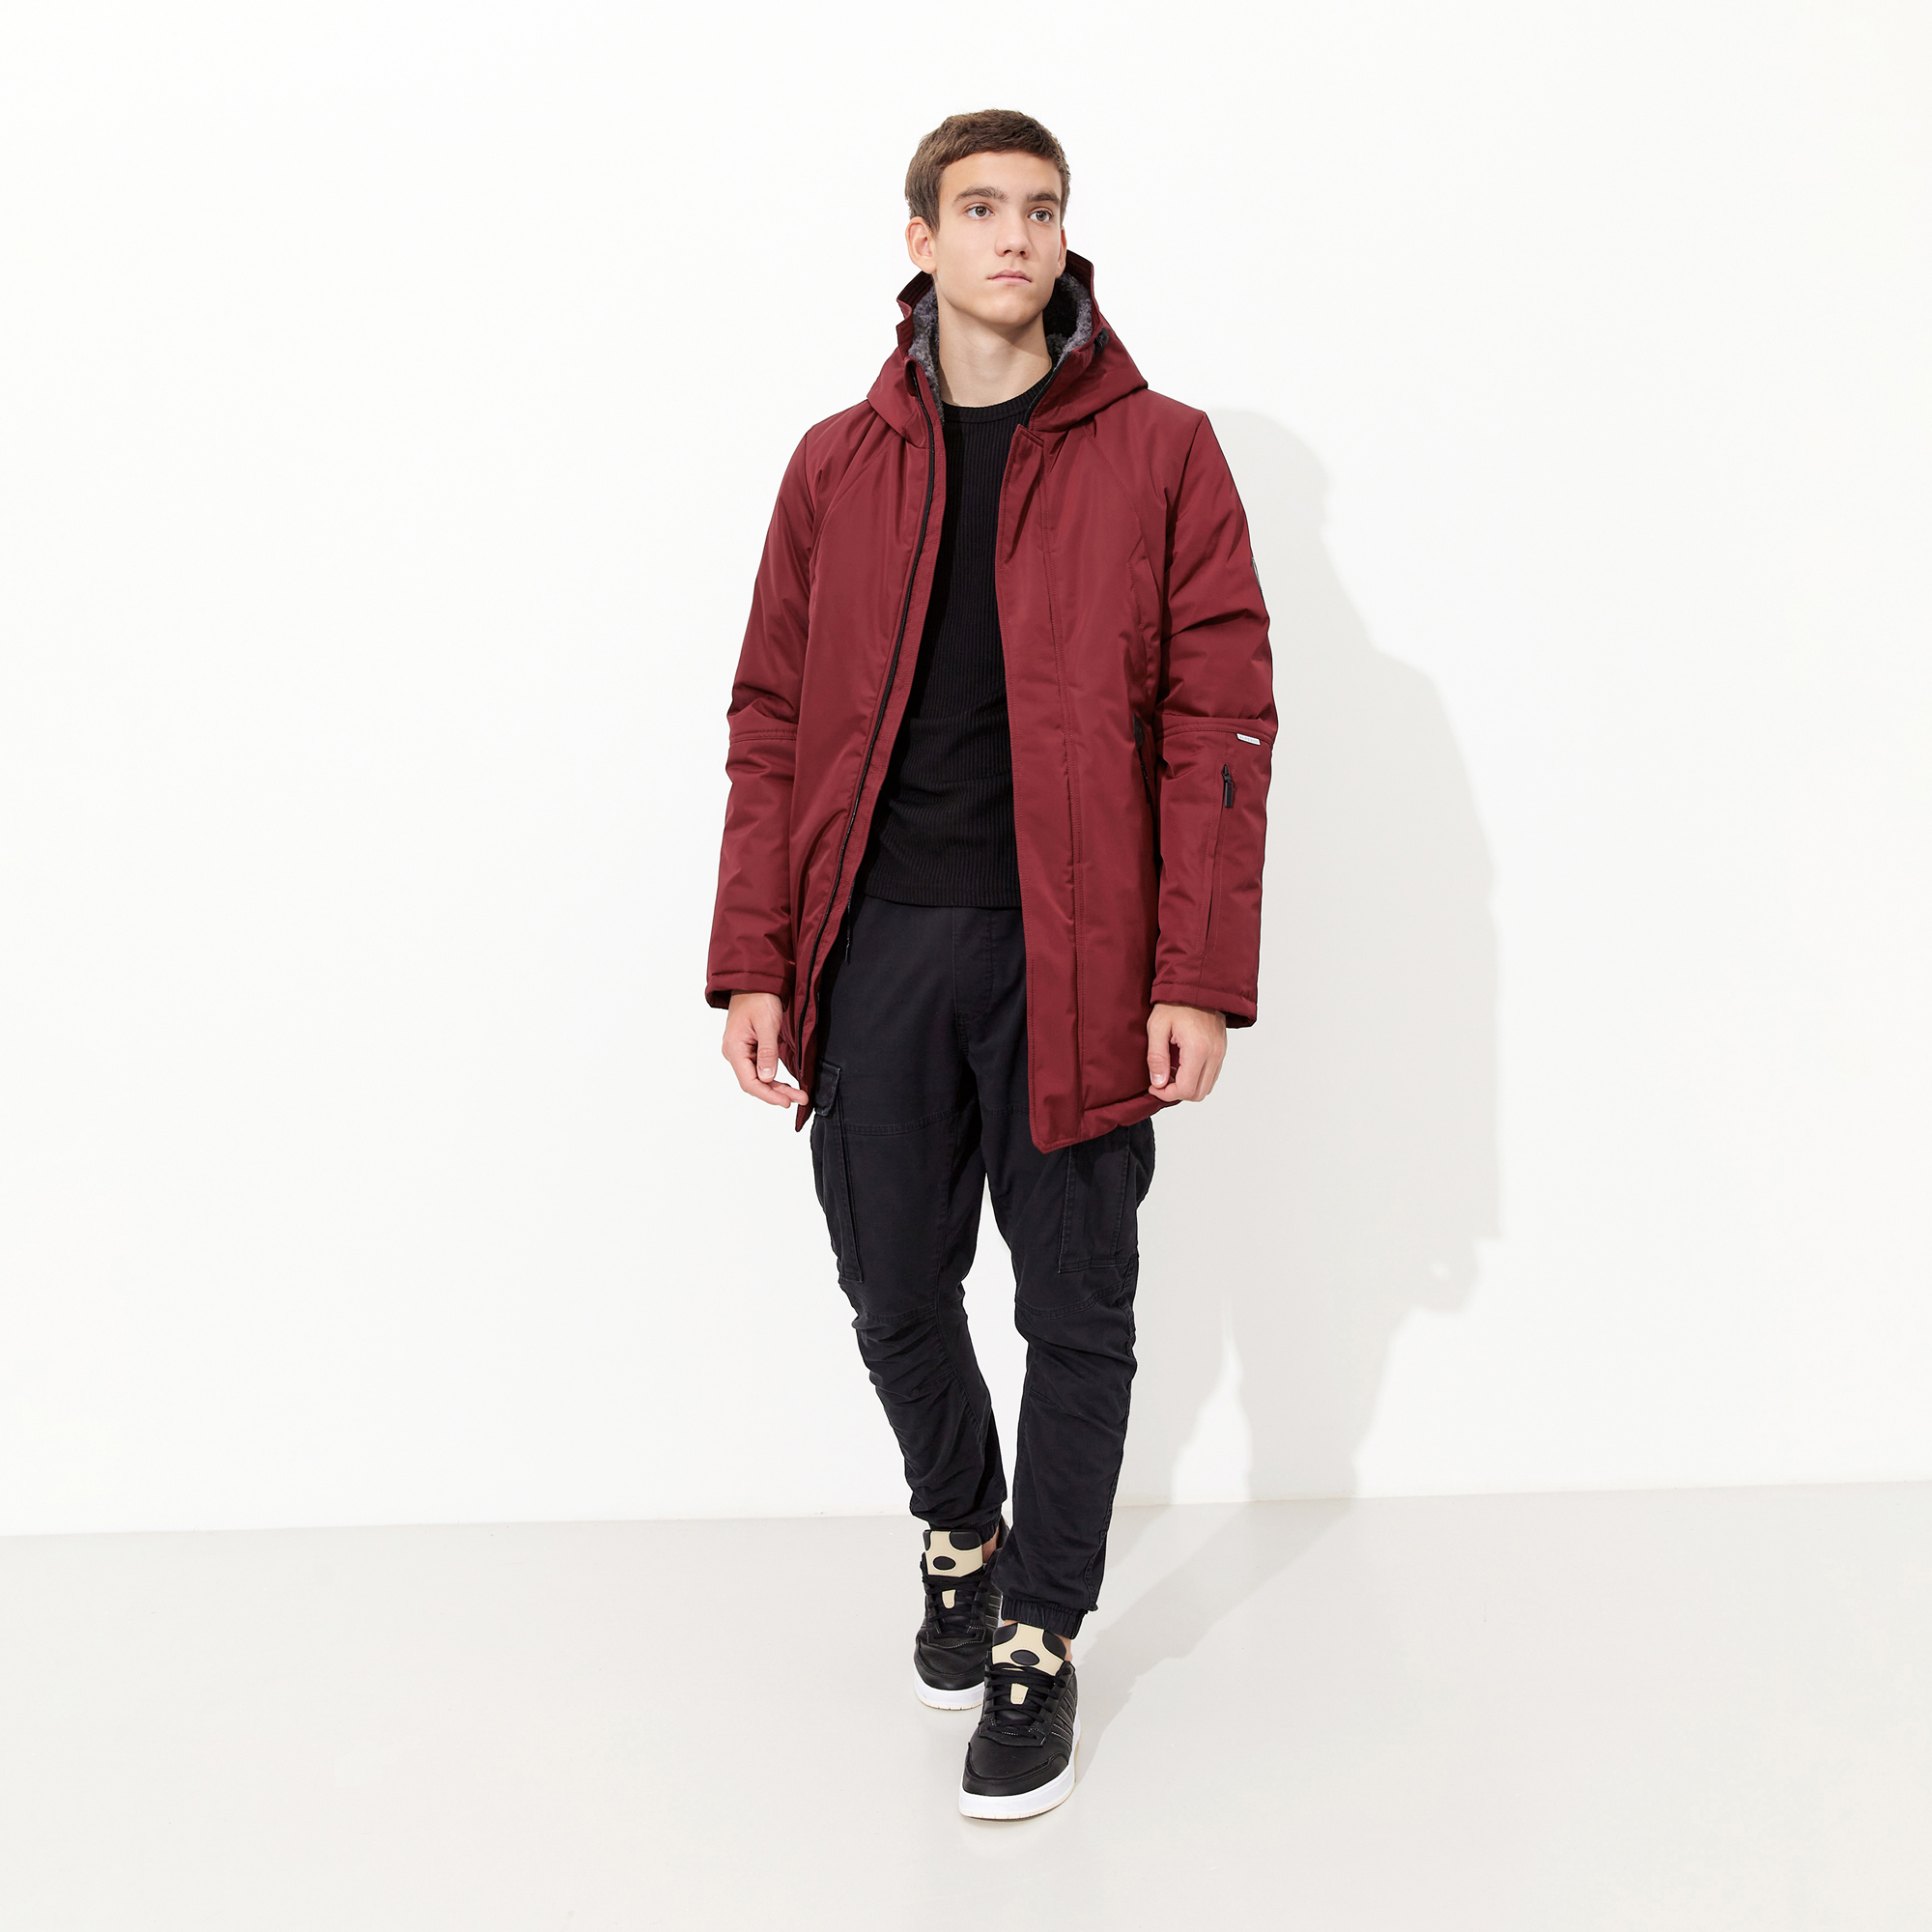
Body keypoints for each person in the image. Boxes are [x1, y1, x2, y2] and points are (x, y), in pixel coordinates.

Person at [706, 109, 1274, 1819]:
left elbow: (1221, 725)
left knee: (1075, 1305)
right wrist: (755, 957)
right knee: (892, 1287)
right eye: (979, 208)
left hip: (1079, 953)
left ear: (1065, 236)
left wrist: (1195, 973)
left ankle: (1038, 1634)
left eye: (1040, 209)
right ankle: (960, 1525)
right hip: (878, 939)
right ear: (922, 240)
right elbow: (770, 720)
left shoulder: (1163, 453)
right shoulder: (836, 466)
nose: (1013, 236)